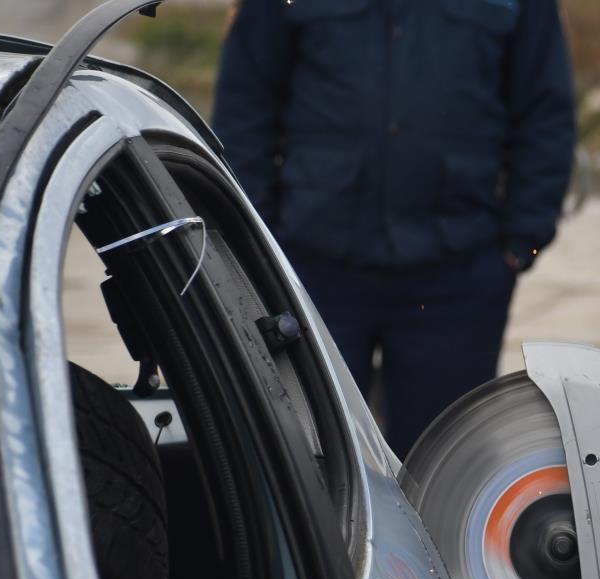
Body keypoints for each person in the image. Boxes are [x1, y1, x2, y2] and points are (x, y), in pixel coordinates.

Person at [212, 0, 577, 458]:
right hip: (312, 271)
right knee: (308, 461)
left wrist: (521, 241)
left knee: (444, 467)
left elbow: (545, 111)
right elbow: (246, 105)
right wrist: (258, 239)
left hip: (457, 277)